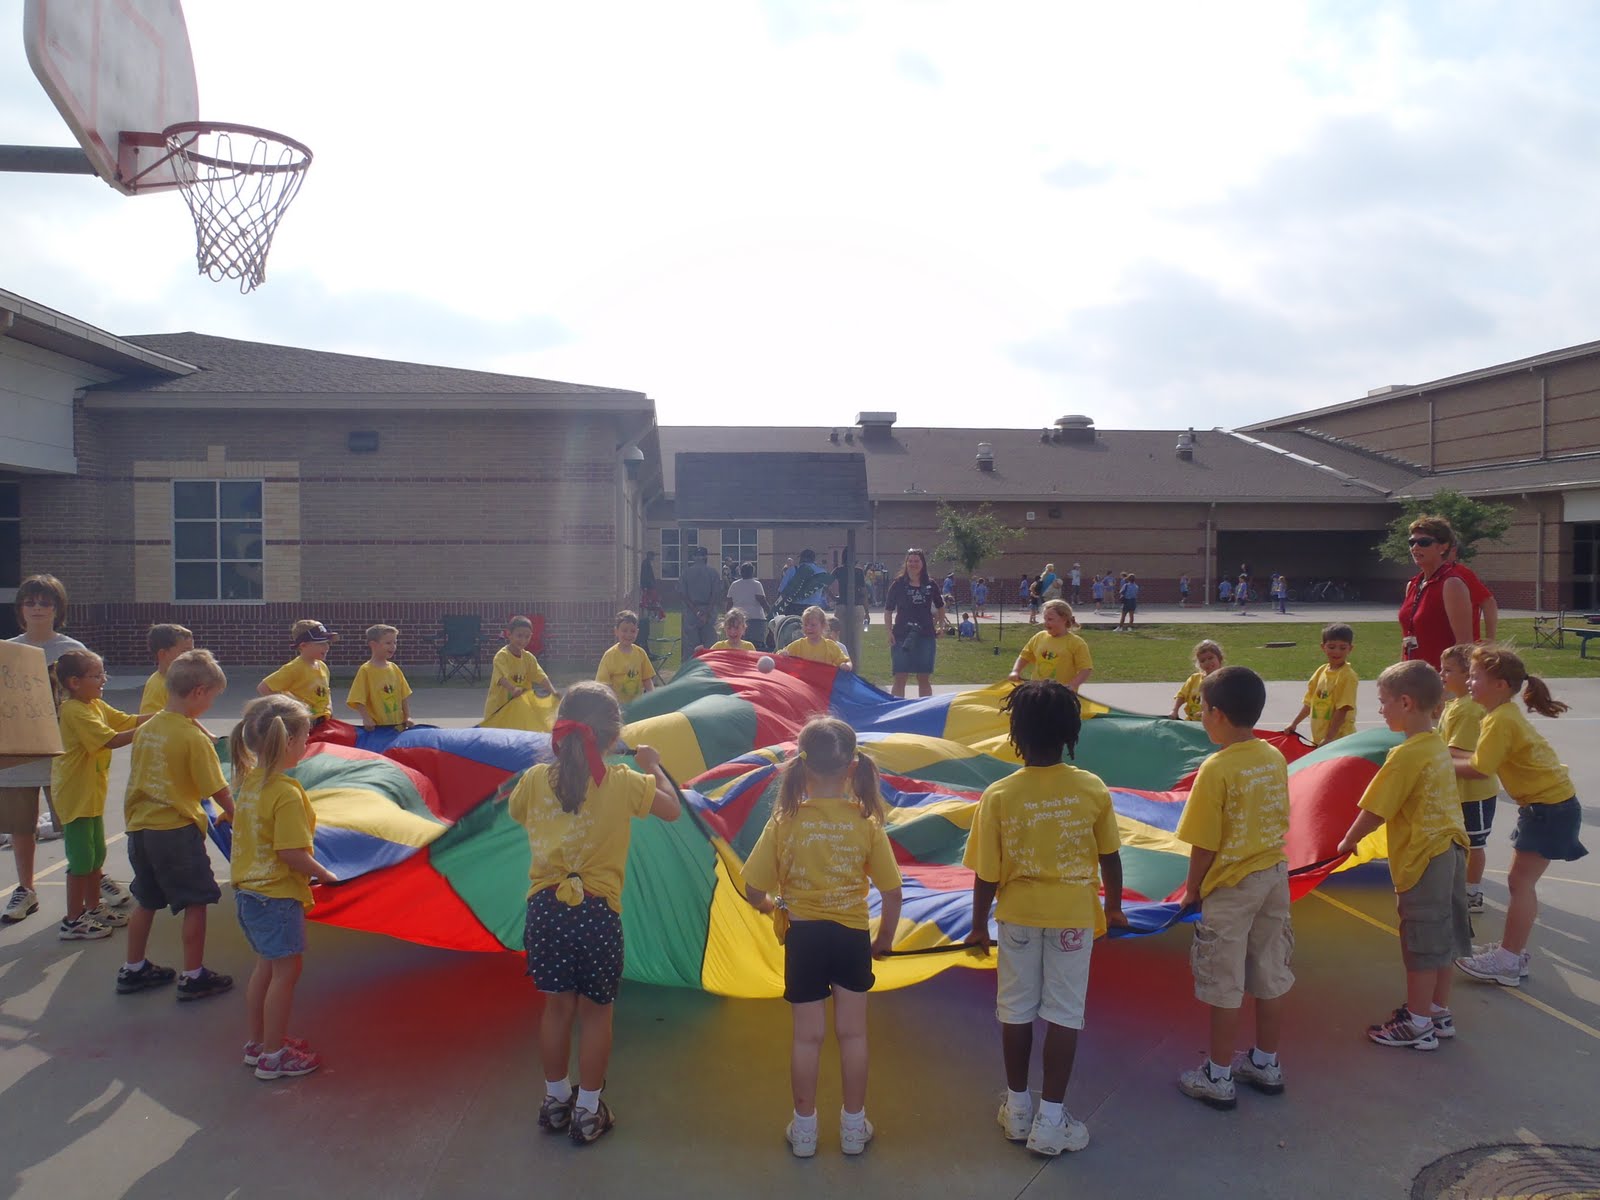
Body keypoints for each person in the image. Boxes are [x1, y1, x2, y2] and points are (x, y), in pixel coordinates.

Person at [508, 683, 678, 1144]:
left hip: (545, 912)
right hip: (597, 914)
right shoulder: (623, 781)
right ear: (612, 735)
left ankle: (555, 1100)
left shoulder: (533, 780)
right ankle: (587, 1111)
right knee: (597, 1014)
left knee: (556, 1007)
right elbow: (673, 810)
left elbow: (516, 812)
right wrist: (654, 766)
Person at [964, 682, 1125, 1155]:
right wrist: (1113, 908)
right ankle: (1051, 1122)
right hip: (1073, 918)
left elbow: (986, 875)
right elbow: (1111, 858)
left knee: (1015, 1011)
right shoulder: (1091, 787)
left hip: (1017, 918)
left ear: (1017, 734)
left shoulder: (998, 795)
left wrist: (978, 926)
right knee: (1063, 1015)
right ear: (1070, 733)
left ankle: (1017, 1110)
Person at [742, 717, 902, 1158]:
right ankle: (854, 1129)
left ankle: (806, 1130)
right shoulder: (865, 822)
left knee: (806, 1038)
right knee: (853, 1035)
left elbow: (752, 887)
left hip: (804, 939)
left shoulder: (785, 821)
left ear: (802, 765)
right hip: (851, 936)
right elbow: (892, 893)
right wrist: (883, 940)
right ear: (852, 767)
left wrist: (771, 906)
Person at [1174, 666, 1294, 1109]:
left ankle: (1218, 1075)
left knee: (1224, 979)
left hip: (1231, 885)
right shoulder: (1272, 755)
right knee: (1270, 970)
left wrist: (1192, 890)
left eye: (1201, 710)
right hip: (1273, 875)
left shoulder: (1217, 767)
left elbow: (1204, 843)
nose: (1200, 717)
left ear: (1218, 715)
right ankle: (1265, 1062)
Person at [1335, 662, 1470, 1050]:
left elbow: (1376, 809)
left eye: (1383, 703)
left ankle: (1417, 1023)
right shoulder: (1435, 744)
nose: (1380, 711)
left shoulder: (1406, 755)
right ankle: (1436, 1010)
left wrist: (1347, 843)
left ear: (1406, 702)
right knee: (1441, 936)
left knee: (1421, 942)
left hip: (1424, 858)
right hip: (1451, 850)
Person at [1452, 647, 1587, 988]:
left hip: (1548, 808)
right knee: (1519, 882)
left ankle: (1509, 960)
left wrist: (1437, 761)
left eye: (1474, 677)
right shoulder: (1502, 714)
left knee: (1520, 884)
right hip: (1548, 805)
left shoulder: (1500, 720)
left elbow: (1481, 769)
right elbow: (1483, 758)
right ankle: (1512, 952)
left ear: (1499, 684)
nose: (1469, 682)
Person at [229, 694, 337, 1080]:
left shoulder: (248, 783)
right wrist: (325, 874)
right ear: (289, 741)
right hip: (276, 897)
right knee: (285, 975)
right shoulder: (286, 793)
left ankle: (258, 1043)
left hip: (248, 894)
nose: (308, 742)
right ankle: (274, 1057)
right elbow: (290, 851)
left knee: (265, 969)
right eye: (306, 735)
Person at [117, 648, 236, 1000]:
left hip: (140, 829)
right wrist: (239, 816)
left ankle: (133, 968)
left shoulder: (148, 727)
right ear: (199, 691)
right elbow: (218, 789)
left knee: (146, 899)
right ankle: (193, 975)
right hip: (175, 833)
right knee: (195, 902)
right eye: (212, 698)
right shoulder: (192, 736)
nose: (211, 706)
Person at [2, 574, 94, 928]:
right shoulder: (8, 650)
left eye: (45, 603)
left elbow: (90, 698)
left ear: (58, 609)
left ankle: (86, 881)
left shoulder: (73, 651)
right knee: (20, 826)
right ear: (20, 609)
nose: (38, 608)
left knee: (73, 822)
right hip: (18, 755)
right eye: (31, 602)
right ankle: (26, 888)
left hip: (63, 756)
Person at [51, 650, 149, 939]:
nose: (103, 679)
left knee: (96, 855)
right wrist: (154, 725)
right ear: (74, 682)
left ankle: (93, 908)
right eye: (96, 675)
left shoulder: (94, 704)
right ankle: (73, 920)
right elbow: (111, 739)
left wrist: (165, 714)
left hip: (91, 795)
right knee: (81, 860)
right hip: (75, 796)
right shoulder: (74, 711)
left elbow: (126, 721)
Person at [1438, 643, 1499, 913]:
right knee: (1458, 843)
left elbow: (1456, 753)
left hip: (1474, 793)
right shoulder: (1455, 705)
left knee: (1474, 844)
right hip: (1456, 791)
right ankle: (1459, 886)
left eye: (1448, 670)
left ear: (1468, 675)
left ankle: (1472, 892)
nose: (1442, 675)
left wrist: (1424, 761)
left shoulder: (1468, 709)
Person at [1397, 516, 1476, 669]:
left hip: (1440, 679)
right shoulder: (1413, 585)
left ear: (1443, 547)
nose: (1415, 547)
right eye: (1412, 542)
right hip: (1412, 676)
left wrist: (1450, 681)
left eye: (1424, 542)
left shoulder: (1451, 584)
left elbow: (1464, 643)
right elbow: (1407, 637)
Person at [883, 548, 948, 698]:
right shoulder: (898, 584)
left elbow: (940, 606)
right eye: (910, 561)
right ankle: (898, 710)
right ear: (906, 564)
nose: (913, 564)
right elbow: (888, 610)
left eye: (916, 561)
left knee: (923, 677)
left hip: (925, 635)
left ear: (923, 563)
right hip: (901, 635)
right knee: (900, 676)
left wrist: (941, 626)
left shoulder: (931, 584)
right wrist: (889, 632)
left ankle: (924, 710)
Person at [1283, 624, 1358, 745]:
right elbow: (1309, 703)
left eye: (1342, 648)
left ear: (1350, 648)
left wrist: (1329, 737)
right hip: (1320, 739)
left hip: (1338, 740)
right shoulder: (1320, 672)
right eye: (1332, 647)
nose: (1337, 652)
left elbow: (1343, 709)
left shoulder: (1347, 676)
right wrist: (1294, 723)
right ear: (1323, 647)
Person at [258, 620, 338, 722]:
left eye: (327, 642)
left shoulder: (322, 666)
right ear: (303, 646)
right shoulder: (294, 668)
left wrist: (329, 707)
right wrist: (291, 708)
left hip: (324, 720)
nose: (327, 647)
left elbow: (325, 692)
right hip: (304, 722)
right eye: (321, 643)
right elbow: (264, 688)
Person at [1009, 600, 1092, 691]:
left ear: (1064, 619)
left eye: (1050, 619)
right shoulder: (1039, 637)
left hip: (1062, 695)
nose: (1046, 622)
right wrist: (1015, 671)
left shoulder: (1076, 643)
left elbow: (1085, 669)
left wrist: (1072, 685)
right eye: (1045, 619)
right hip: (1037, 692)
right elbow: (1024, 657)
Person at [484, 616, 554, 723]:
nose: (523, 640)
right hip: (498, 710)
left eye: (527, 637)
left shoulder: (528, 658)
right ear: (509, 635)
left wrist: (553, 692)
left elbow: (541, 677)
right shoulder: (502, 656)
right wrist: (513, 689)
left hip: (518, 711)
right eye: (519, 636)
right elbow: (502, 678)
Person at [346, 624, 413, 732]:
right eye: (388, 643)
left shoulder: (394, 668)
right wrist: (366, 719)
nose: (393, 646)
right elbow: (357, 699)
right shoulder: (366, 670)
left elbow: (403, 696)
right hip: (378, 728)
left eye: (395, 642)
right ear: (373, 645)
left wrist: (407, 716)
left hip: (398, 726)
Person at [596, 611, 655, 703]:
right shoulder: (610, 655)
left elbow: (647, 679)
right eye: (624, 630)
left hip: (636, 704)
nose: (628, 635)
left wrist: (652, 696)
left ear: (637, 632)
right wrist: (612, 702)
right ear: (616, 631)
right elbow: (604, 684)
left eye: (633, 631)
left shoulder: (640, 653)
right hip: (617, 705)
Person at [1445, 542, 1498, 640]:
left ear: (1454, 550)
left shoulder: (1461, 573)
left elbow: (1489, 602)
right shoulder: (1422, 579)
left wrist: (1490, 640)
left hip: (1462, 647)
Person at [140, 624, 195, 715]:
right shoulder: (157, 687)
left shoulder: (177, 681)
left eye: (192, 651)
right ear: (163, 654)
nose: (192, 657)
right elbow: (149, 723)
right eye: (185, 651)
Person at [680, 545, 721, 658]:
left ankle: (690, 673)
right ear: (705, 557)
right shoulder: (713, 573)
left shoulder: (686, 573)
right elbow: (715, 595)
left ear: (694, 557)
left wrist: (697, 611)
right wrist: (706, 612)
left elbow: (683, 595)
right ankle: (708, 672)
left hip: (691, 612)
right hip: (709, 612)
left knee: (691, 647)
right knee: (710, 647)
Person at [781, 606, 853, 671]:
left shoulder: (830, 646)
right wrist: (783, 654)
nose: (809, 628)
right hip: (804, 683)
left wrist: (847, 666)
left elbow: (847, 661)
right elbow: (778, 656)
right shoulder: (798, 645)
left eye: (813, 625)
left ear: (823, 625)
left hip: (823, 684)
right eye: (806, 625)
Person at [1170, 640, 1225, 721]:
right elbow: (1181, 695)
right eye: (1202, 661)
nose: (1207, 662)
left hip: (1214, 725)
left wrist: (1207, 713)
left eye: (1210, 658)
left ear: (1219, 658)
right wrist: (1174, 710)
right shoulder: (1194, 679)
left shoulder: (1226, 680)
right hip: (1191, 722)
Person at [727, 562, 771, 648]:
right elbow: (762, 600)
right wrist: (770, 612)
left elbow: (729, 603)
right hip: (756, 619)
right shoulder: (756, 584)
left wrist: (728, 617)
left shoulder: (734, 585)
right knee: (757, 646)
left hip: (738, 619)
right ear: (753, 572)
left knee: (739, 645)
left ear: (741, 572)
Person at [831, 557, 870, 639]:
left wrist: (833, 597)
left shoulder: (838, 570)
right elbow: (864, 593)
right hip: (857, 604)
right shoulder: (859, 572)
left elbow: (825, 584)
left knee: (841, 638)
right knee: (856, 639)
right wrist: (867, 612)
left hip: (842, 604)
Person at [638, 549, 665, 622]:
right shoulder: (645, 563)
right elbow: (645, 576)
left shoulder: (647, 563)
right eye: (653, 556)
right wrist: (645, 587)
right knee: (652, 602)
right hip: (648, 587)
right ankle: (656, 616)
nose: (653, 558)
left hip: (649, 586)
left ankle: (655, 616)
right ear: (649, 556)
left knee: (652, 602)